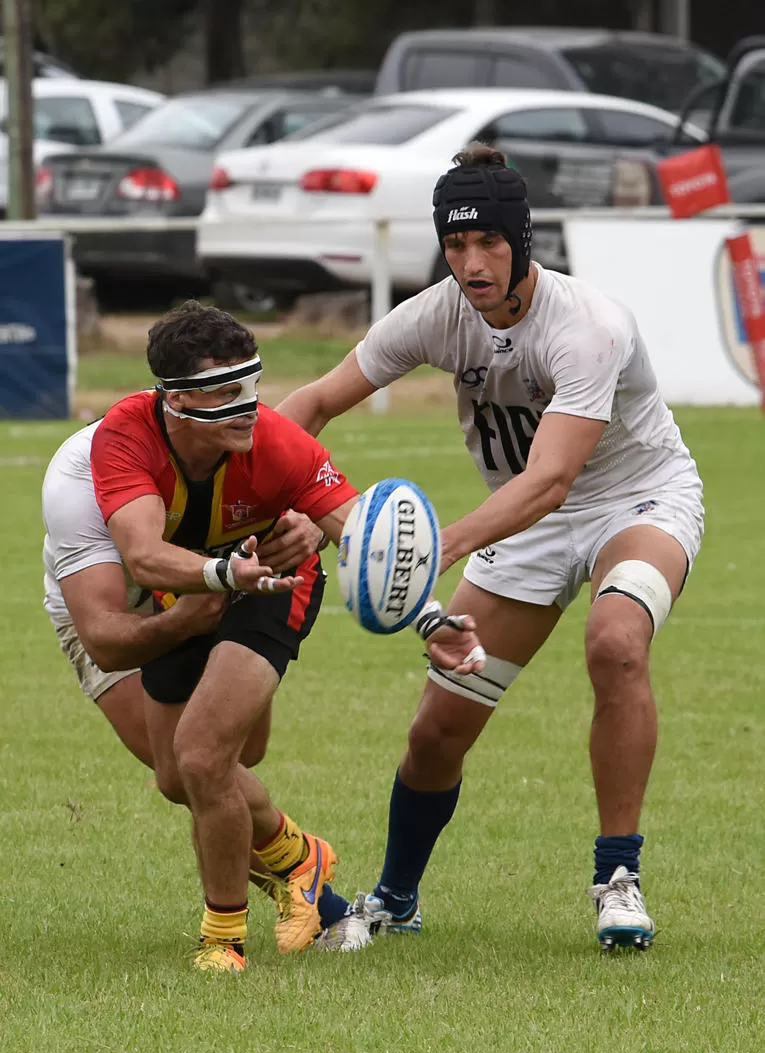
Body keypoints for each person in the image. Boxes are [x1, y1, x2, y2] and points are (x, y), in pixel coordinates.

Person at [276, 144, 705, 951]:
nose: (471, 264)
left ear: (522, 242)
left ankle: (617, 877)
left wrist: (432, 548)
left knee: (615, 642)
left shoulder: (588, 327)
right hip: (525, 523)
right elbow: (317, 400)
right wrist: (259, 473)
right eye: (455, 245)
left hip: (634, 497)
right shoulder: (435, 313)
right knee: (439, 727)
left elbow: (550, 480)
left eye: (489, 245)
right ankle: (396, 897)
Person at [88, 301, 481, 972]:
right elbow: (147, 557)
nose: (247, 406)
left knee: (206, 756)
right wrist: (220, 573)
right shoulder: (124, 435)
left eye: (252, 385)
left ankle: (223, 938)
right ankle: (303, 857)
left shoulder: (278, 443)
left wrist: (430, 620)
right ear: (176, 400)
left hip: (276, 586)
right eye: (224, 391)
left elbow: (366, 537)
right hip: (191, 589)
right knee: (175, 777)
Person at [42, 418, 372, 954]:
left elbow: (302, 427)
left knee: (227, 758)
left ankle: (302, 883)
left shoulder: (216, 433)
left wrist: (309, 512)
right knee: (184, 771)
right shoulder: (77, 478)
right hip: (110, 609)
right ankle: (301, 884)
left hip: (212, 580)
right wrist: (181, 621)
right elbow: (104, 636)